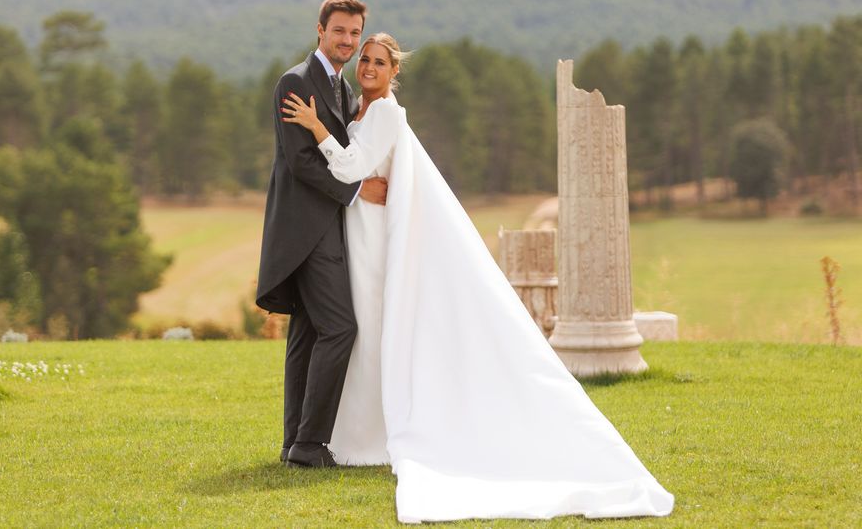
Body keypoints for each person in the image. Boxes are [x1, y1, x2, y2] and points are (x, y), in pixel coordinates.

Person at [281, 33, 674, 522]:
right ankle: (347, 435)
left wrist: (317, 128)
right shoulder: (361, 109)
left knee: (371, 330)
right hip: (358, 234)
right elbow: (359, 174)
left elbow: (353, 167)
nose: (369, 67)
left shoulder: (386, 113)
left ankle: (368, 438)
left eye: (380, 62)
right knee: (363, 333)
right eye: (365, 59)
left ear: (393, 71)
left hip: (373, 240)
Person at [256, 0, 388, 469]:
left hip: (325, 229)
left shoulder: (341, 89)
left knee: (309, 334)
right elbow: (301, 162)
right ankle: (311, 444)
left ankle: (294, 443)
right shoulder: (296, 81)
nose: (348, 42)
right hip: (306, 232)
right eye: (340, 32)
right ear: (320, 30)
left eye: (355, 34)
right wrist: (356, 194)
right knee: (341, 327)